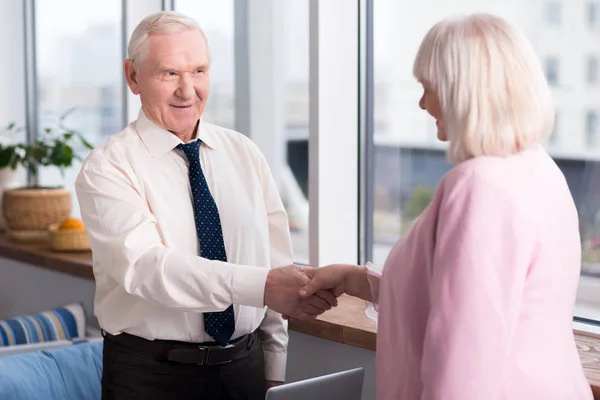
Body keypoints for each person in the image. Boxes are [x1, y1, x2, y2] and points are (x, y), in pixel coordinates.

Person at [291, 13, 594, 400]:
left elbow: (463, 358)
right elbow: (472, 301)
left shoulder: (479, 186)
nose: (422, 103)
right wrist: (355, 280)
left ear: (462, 89)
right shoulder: (538, 169)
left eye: (428, 87)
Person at [75, 11, 335, 400]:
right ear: (132, 76)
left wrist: (273, 365)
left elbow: (276, 259)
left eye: (198, 71)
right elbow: (147, 268)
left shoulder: (243, 152)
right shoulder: (108, 166)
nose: (188, 90)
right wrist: (261, 287)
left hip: (245, 368)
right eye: (169, 74)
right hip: (150, 377)